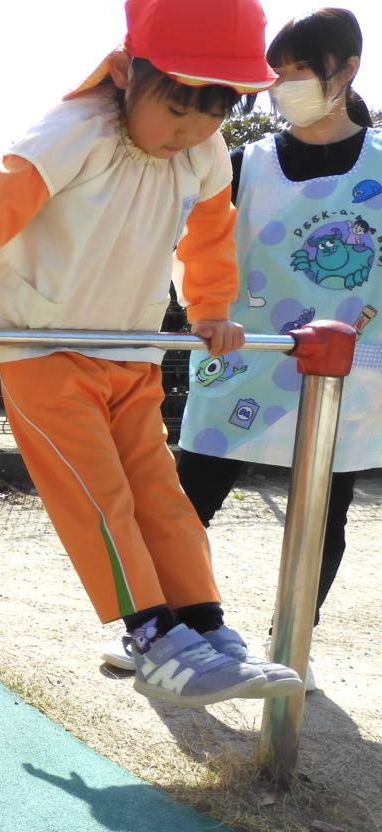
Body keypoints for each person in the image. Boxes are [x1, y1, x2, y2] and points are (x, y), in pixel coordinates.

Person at [0, 0, 303, 708]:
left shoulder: (204, 152)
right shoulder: (71, 132)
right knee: (98, 494)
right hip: (40, 343)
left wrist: (212, 311)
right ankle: (151, 637)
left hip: (130, 345)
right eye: (175, 109)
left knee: (160, 491)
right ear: (124, 72)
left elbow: (210, 237)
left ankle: (206, 625)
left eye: (212, 112)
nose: (188, 131)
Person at [174, 7, 382, 693]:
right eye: (278, 73)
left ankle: (294, 636)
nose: (284, 86)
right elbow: (192, 250)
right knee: (185, 500)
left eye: (301, 71)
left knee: (323, 513)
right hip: (241, 358)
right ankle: (172, 631)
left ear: (347, 70)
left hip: (346, 370)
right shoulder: (245, 163)